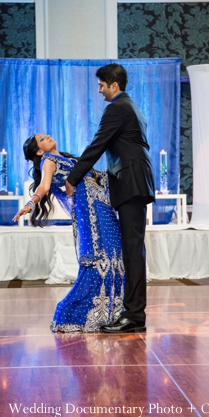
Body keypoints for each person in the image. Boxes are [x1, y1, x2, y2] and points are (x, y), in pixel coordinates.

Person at [65, 63, 155, 333]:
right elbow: (123, 147)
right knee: (133, 249)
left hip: (130, 182)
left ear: (114, 85)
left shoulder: (116, 107)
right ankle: (133, 313)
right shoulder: (132, 107)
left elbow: (98, 144)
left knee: (132, 251)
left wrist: (73, 178)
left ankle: (134, 316)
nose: (99, 90)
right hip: (134, 180)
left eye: (102, 85)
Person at [13, 134, 125, 332]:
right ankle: (80, 312)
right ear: (40, 151)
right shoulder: (48, 160)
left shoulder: (70, 160)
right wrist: (31, 203)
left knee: (114, 252)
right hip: (90, 209)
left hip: (102, 204)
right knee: (100, 255)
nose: (46, 136)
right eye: (41, 139)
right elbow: (44, 186)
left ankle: (113, 310)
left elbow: (99, 176)